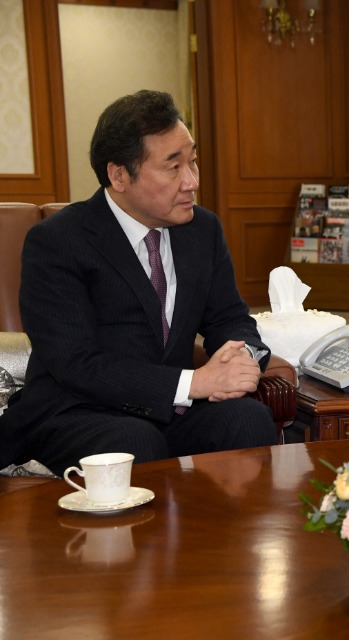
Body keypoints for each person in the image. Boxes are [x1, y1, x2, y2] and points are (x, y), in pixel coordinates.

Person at [0, 90, 276, 476]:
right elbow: (76, 365)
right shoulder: (58, 242)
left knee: (248, 420)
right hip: (75, 411)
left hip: (170, 409)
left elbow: (230, 317)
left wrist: (243, 357)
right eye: (173, 168)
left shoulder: (202, 230)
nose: (192, 182)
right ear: (119, 175)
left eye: (193, 162)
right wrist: (193, 382)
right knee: (134, 444)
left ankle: (222, 536)